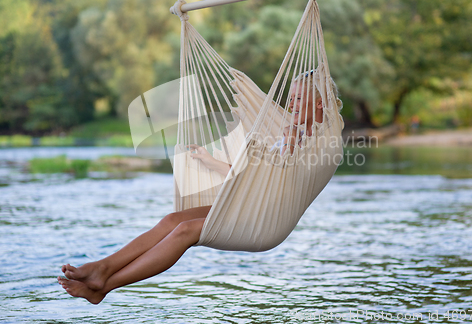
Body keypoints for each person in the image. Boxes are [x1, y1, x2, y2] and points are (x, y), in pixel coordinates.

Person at [58, 71, 325, 304]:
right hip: (247, 203)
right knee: (172, 219)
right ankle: (103, 268)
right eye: (291, 97)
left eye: (299, 98)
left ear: (320, 103)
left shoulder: (318, 139)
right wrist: (212, 161)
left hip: (264, 219)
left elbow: (284, 171)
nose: (291, 103)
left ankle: (105, 286)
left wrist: (291, 143)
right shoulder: (289, 132)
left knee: (185, 231)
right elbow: (250, 176)